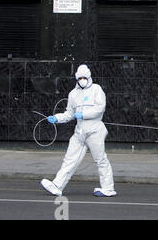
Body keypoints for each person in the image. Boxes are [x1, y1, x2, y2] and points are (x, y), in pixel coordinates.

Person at [40, 64, 117, 197]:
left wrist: (83, 114)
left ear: (89, 77)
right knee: (70, 159)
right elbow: (69, 114)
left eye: (84, 77)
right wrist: (56, 118)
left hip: (94, 130)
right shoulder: (73, 94)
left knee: (100, 159)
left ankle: (108, 188)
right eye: (80, 77)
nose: (82, 80)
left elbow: (100, 108)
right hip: (80, 132)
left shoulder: (96, 89)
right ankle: (57, 185)